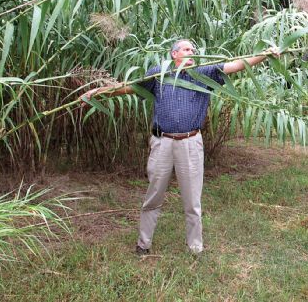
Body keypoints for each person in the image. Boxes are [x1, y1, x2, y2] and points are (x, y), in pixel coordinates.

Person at [80, 40, 280, 255]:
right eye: (186, 49)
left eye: (193, 50)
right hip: (161, 142)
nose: (192, 52)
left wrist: (265, 55)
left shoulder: (204, 72)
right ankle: (143, 244)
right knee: (154, 195)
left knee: (192, 200)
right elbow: (129, 88)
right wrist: (98, 92)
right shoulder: (158, 73)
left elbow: (238, 64)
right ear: (174, 54)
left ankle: (195, 248)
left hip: (190, 143)